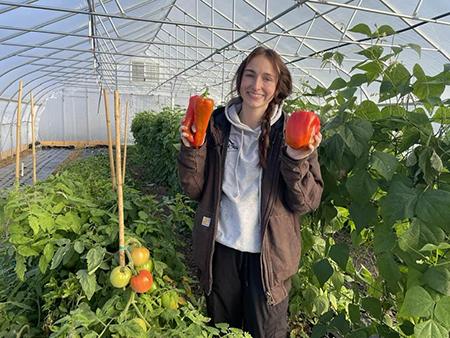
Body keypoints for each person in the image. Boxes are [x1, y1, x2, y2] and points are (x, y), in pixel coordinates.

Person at [177, 46, 323, 338]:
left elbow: (305, 202)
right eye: (250, 75)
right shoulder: (216, 125)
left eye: (267, 78)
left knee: (266, 333)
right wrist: (193, 148)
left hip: (269, 257)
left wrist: (296, 160)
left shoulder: (291, 132)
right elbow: (193, 188)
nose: (256, 85)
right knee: (223, 330)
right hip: (221, 250)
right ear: (240, 79)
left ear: (277, 87)